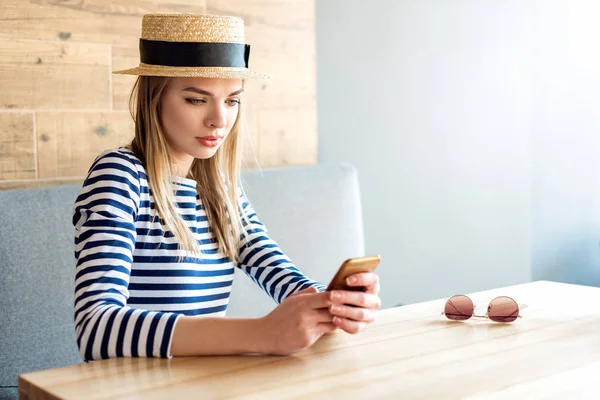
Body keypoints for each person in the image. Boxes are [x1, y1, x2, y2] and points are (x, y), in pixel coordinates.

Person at [72, 13, 381, 361]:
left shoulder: (219, 191)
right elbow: (95, 328)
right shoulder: (120, 175)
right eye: (196, 99)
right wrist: (262, 333)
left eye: (232, 100)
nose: (219, 120)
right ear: (153, 98)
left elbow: (280, 275)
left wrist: (336, 303)